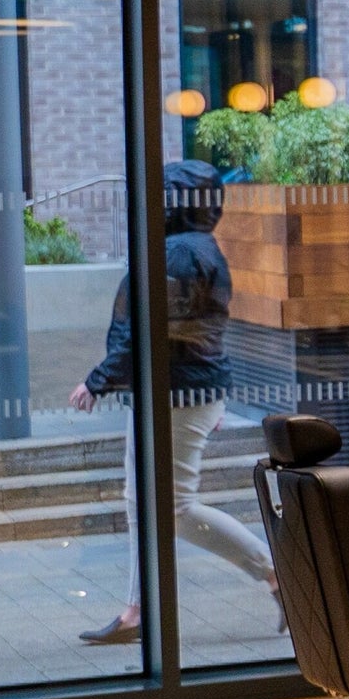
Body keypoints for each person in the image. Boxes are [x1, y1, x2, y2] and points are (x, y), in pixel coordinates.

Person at [75, 159, 274, 643]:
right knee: (143, 502)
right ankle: (138, 610)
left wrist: (99, 380)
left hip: (177, 393)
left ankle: (275, 575)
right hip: (181, 390)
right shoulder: (192, 247)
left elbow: (150, 329)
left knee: (173, 506)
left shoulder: (179, 253)